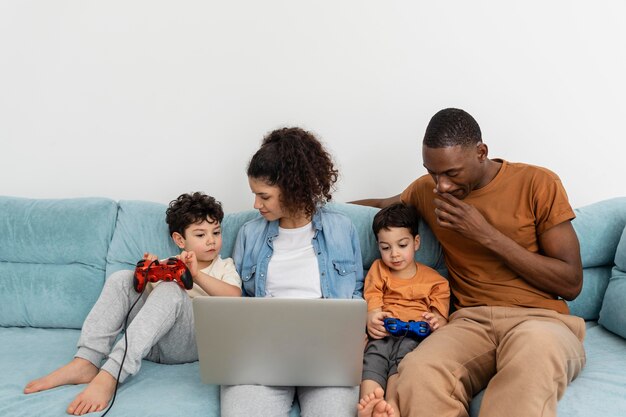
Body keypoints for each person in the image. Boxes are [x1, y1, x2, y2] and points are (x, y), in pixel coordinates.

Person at [352, 108, 586, 417]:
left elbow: (571, 283)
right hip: (469, 323)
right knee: (419, 371)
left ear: (481, 152)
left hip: (540, 321)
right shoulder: (429, 190)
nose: (442, 186)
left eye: (451, 173)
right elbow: (381, 206)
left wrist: (485, 234)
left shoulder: (537, 183)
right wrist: (309, 205)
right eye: (433, 172)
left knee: (532, 359)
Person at [24, 192, 242, 415]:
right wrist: (146, 275)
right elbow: (143, 301)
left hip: (189, 344)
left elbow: (235, 297)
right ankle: (86, 361)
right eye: (200, 234)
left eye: (216, 232)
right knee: (121, 279)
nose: (211, 240)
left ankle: (111, 374)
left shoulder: (224, 266)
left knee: (170, 289)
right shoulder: (169, 264)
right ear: (179, 240)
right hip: (149, 343)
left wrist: (196, 276)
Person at [220, 127, 364, 417]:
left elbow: (357, 290)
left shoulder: (341, 229)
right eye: (254, 195)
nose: (256, 205)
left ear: (293, 188)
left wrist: (357, 331)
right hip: (262, 358)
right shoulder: (250, 234)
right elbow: (236, 304)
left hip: (326, 358)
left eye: (264, 196)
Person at [358, 202, 449, 416]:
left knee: (403, 365)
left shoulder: (435, 281)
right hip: (384, 334)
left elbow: (441, 320)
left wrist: (435, 322)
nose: (394, 254)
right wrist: (372, 318)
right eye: (386, 248)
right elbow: (373, 300)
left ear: (416, 242)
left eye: (402, 245)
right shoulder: (378, 269)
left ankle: (391, 405)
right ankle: (369, 404)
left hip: (414, 338)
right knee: (373, 359)